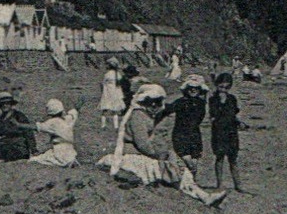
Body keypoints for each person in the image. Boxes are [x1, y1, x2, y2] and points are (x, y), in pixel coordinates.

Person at [97, 83, 227, 206]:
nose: (154, 105)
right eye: (150, 101)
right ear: (143, 102)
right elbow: (143, 144)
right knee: (168, 167)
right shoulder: (137, 116)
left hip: (145, 154)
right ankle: (199, 194)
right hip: (133, 155)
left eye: (157, 102)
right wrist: (159, 155)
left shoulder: (146, 115)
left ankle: (201, 194)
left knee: (176, 165)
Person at [157, 75, 208, 179]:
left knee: (193, 158)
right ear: (186, 89)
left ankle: (191, 180)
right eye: (190, 88)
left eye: (196, 88)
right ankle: (190, 178)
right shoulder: (183, 102)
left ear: (200, 90)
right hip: (183, 133)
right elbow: (168, 109)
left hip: (191, 133)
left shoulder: (198, 103)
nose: (193, 90)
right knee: (188, 158)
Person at [209, 71, 244, 193]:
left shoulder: (232, 99)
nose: (223, 89)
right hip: (219, 132)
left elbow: (234, 113)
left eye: (226, 87)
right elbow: (213, 115)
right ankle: (219, 183)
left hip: (231, 132)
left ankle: (238, 184)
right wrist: (221, 103)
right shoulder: (213, 100)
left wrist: (239, 121)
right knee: (219, 157)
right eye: (221, 87)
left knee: (233, 159)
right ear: (217, 85)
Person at [30, 98, 79, 167]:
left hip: (59, 155)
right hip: (71, 154)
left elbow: (36, 126)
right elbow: (73, 113)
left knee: (34, 160)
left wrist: (18, 124)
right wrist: (77, 107)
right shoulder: (68, 119)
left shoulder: (52, 123)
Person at [99, 57, 126, 129]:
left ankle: (103, 125)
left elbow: (103, 83)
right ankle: (116, 126)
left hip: (107, 93)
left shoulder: (107, 74)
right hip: (116, 93)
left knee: (105, 109)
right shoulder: (118, 74)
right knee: (115, 110)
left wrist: (102, 91)